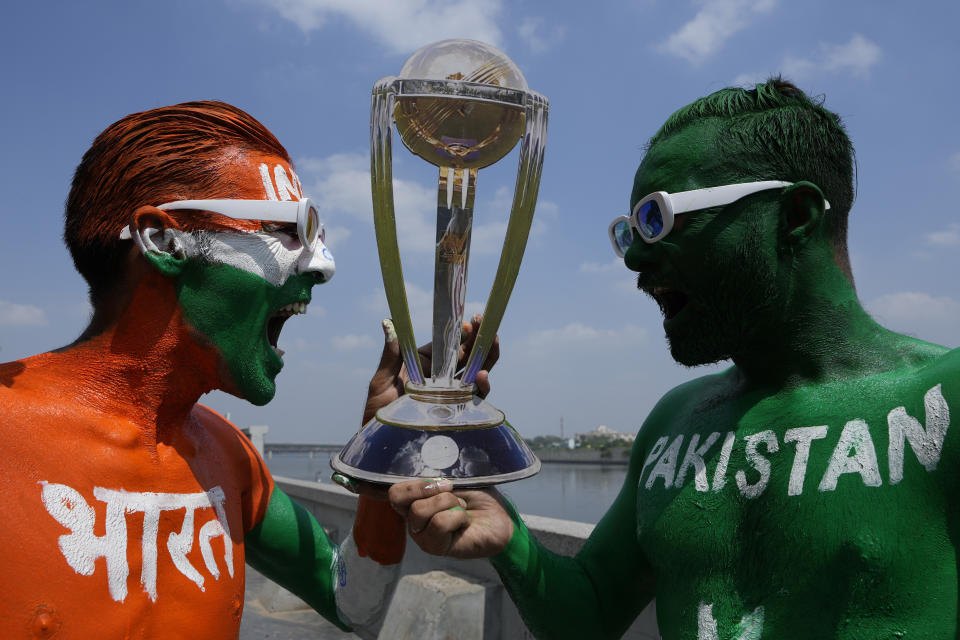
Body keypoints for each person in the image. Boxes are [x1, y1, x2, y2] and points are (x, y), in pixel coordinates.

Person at [384, 78, 960, 639]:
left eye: (658, 220)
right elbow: (587, 615)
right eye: (628, 231)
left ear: (795, 217)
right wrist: (507, 536)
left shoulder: (942, 401)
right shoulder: (677, 420)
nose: (635, 259)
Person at [0, 101, 416, 638]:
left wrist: (383, 447)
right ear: (162, 241)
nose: (322, 264)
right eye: (287, 230)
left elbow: (353, 603)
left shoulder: (230, 454)